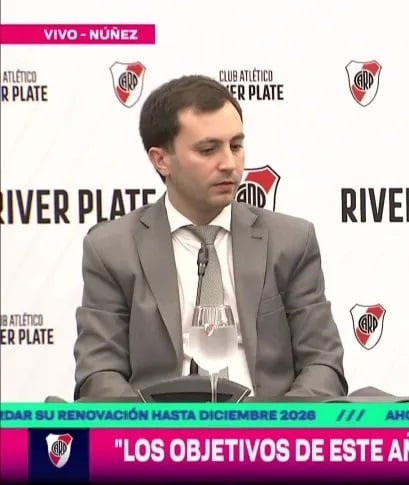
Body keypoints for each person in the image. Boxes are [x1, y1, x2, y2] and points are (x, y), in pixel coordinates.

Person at [73, 75, 347, 400]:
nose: (229, 164)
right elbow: (99, 372)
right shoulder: (112, 250)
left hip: (267, 424)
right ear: (161, 160)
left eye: (236, 146)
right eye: (208, 150)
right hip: (160, 426)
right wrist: (151, 427)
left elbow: (323, 363)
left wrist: (278, 424)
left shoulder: (290, 241)